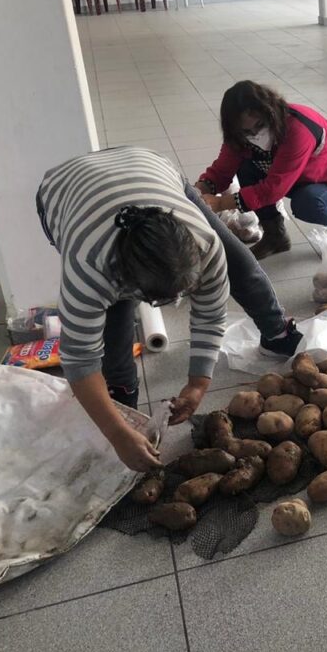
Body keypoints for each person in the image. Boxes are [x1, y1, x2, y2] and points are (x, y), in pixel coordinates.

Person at [36, 146, 303, 472]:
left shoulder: (204, 244)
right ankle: (122, 397)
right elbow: (80, 360)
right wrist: (117, 433)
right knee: (116, 323)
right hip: (65, 190)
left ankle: (276, 331)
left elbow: (210, 313)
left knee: (241, 265)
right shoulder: (90, 269)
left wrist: (197, 383)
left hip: (147, 166)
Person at [195, 80, 327, 259]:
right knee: (246, 167)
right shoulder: (238, 136)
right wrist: (199, 191)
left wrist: (221, 203)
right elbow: (222, 169)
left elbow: (273, 189)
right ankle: (275, 236)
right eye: (246, 131)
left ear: (270, 113)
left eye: (259, 125)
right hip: (296, 175)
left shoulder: (298, 128)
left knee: (307, 203)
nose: (254, 134)